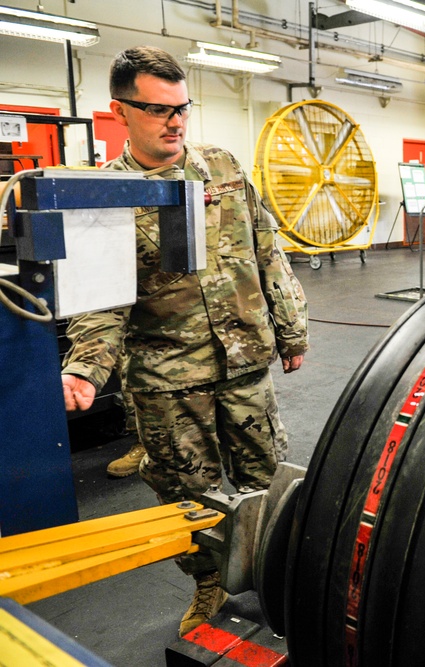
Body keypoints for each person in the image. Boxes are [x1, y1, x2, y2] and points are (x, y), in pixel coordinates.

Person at [60, 46, 309, 637]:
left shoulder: (220, 167)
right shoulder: (106, 196)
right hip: (168, 381)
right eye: (157, 110)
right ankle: (210, 585)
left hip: (245, 361)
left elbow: (267, 248)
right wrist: (86, 368)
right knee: (187, 500)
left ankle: (281, 579)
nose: (175, 121)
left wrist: (290, 326)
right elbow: (99, 299)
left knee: (267, 480)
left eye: (182, 108)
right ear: (119, 111)